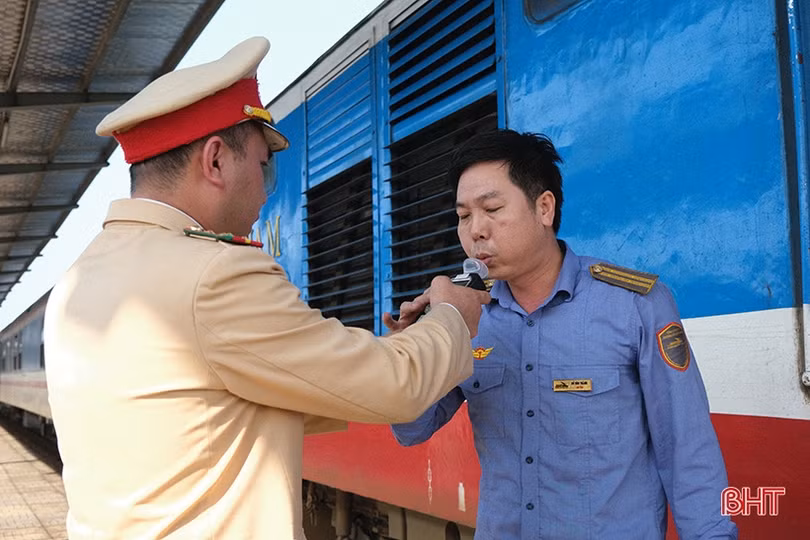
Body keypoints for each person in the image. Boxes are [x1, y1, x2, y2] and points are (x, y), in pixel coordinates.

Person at [43, 37, 490, 540]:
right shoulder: (213, 275)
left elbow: (217, 404)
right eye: (263, 165)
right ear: (215, 161)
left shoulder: (78, 282)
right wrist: (453, 315)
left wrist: (376, 352)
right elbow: (396, 387)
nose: (266, 189)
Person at [388, 130, 738, 539]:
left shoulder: (635, 306)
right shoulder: (466, 318)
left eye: (492, 208)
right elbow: (411, 430)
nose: (475, 231)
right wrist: (412, 346)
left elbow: (687, 451)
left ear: (544, 208)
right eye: (464, 216)